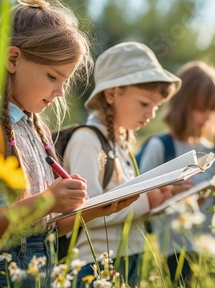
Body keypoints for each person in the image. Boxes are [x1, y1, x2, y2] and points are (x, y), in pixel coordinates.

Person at [0, 0, 136, 287]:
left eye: (65, 81)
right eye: (52, 76)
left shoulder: (35, 129)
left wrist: (97, 208)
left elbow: (46, 226)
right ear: (13, 59)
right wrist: (46, 201)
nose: (60, 91)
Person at [63, 41, 181, 286]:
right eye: (144, 104)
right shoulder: (87, 141)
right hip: (94, 265)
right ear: (112, 93)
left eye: (156, 107)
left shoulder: (122, 143)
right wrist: (146, 201)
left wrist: (157, 200)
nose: (151, 114)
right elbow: (88, 214)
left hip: (128, 258)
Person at [137, 61, 215, 285]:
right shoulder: (161, 145)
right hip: (173, 247)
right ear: (182, 104)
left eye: (213, 110)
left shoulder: (212, 149)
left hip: (212, 243)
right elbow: (140, 196)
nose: (207, 116)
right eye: (201, 108)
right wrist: (174, 192)